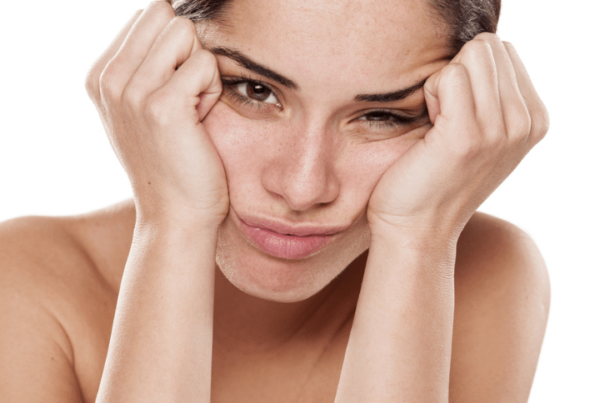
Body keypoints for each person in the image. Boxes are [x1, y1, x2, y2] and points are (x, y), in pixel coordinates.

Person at [0, 0, 551, 401]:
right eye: (254, 91)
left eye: (382, 115)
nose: (303, 187)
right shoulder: (23, 281)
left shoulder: (485, 272)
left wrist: (418, 240)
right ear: (157, 63)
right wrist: (174, 225)